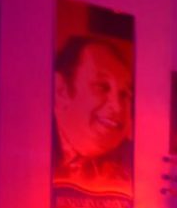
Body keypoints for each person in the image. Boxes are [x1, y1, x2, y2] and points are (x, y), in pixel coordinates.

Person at [52, 36, 133, 194]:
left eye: (124, 94)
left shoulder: (127, 161)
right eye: (102, 87)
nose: (117, 108)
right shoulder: (30, 152)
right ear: (61, 91)